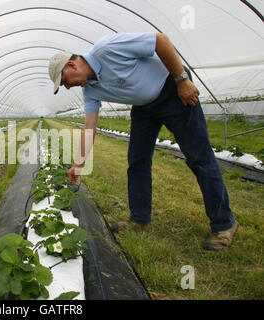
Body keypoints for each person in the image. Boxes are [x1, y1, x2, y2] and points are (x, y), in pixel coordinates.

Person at [48, 32, 238, 250]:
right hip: (144, 108)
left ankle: (224, 224)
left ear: (72, 65)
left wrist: (182, 79)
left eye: (65, 82)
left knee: (199, 157)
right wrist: (78, 164)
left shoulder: (106, 49)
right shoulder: (91, 90)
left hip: (171, 91)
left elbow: (160, 40)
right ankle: (139, 220)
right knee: (137, 160)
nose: (68, 87)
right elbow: (89, 128)